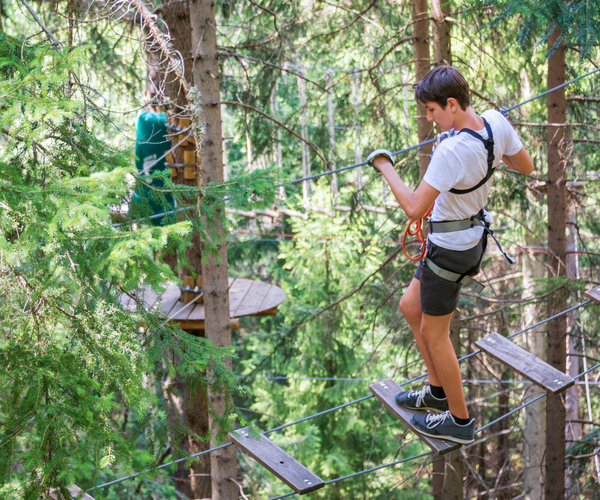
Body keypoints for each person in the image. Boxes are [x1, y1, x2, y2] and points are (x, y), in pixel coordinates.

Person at [367, 66, 534, 444]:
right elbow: (525, 165)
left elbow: (413, 207)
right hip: (466, 236)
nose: (429, 119)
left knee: (435, 333)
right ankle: (436, 391)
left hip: (450, 248)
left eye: (432, 110)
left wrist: (385, 166)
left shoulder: (452, 150)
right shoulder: (494, 124)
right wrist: (489, 159)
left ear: (452, 104)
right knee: (412, 307)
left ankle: (459, 422)